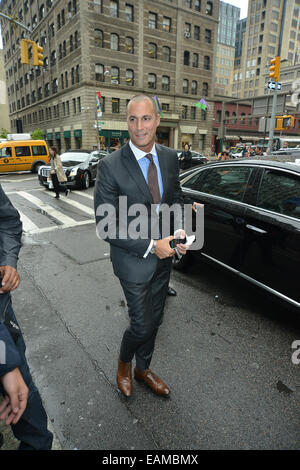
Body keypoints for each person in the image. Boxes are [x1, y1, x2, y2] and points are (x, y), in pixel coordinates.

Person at [94, 94, 187, 398]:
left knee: (156, 319)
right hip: (133, 260)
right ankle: (124, 364)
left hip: (165, 258)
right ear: (127, 123)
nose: (139, 126)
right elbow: (106, 225)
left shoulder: (171, 158)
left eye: (146, 118)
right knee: (142, 325)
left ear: (157, 120)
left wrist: (181, 232)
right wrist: (150, 245)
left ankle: (142, 368)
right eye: (132, 119)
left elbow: (176, 200)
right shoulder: (110, 166)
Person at [0, 184, 53, 449]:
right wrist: (7, 365)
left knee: (35, 431)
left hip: (3, 317)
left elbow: (8, 220)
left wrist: (8, 260)